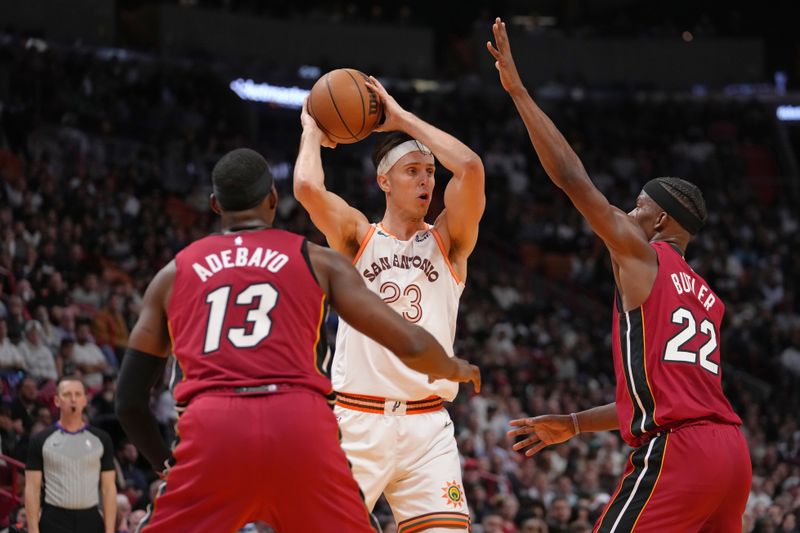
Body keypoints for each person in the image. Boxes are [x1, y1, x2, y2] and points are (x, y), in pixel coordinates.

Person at [114, 148, 480, 533]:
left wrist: (165, 464)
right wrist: (452, 367)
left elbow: (128, 403)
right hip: (298, 423)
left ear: (215, 204)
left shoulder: (174, 273)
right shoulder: (313, 259)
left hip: (211, 423)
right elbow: (410, 344)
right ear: (273, 199)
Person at [488, 18, 751, 532]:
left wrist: (518, 91)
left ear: (659, 220)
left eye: (637, 206)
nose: (627, 215)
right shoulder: (708, 299)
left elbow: (571, 179)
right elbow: (664, 393)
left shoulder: (644, 254)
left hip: (683, 453)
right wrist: (574, 424)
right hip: (732, 456)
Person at [294, 75, 485, 531]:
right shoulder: (357, 235)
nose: (425, 180)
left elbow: (472, 168)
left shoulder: (450, 241)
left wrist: (398, 118)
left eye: (429, 171)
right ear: (384, 180)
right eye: (412, 171)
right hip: (357, 421)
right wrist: (311, 131)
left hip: (427, 428)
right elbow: (306, 187)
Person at [24, 376, 116, 533]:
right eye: (67, 394)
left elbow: (108, 489)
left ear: (85, 400)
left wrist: (110, 530)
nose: (73, 399)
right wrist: (33, 531)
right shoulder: (40, 440)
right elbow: (32, 489)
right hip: (54, 520)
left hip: (91, 519)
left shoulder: (102, 439)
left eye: (78, 394)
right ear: (57, 401)